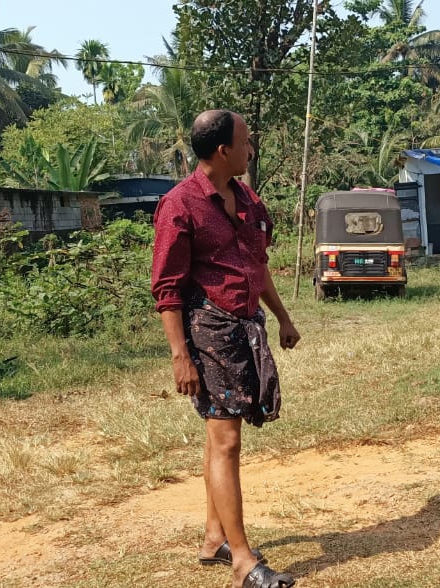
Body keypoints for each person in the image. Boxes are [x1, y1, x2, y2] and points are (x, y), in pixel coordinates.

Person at [151, 109, 300, 588]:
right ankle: (242, 561)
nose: (250, 149)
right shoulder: (180, 206)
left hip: (245, 327)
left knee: (219, 437)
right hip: (209, 332)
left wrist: (282, 317)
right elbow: (168, 288)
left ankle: (214, 537)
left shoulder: (249, 200)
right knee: (227, 440)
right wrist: (180, 355)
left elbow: (257, 265)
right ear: (223, 150)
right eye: (245, 141)